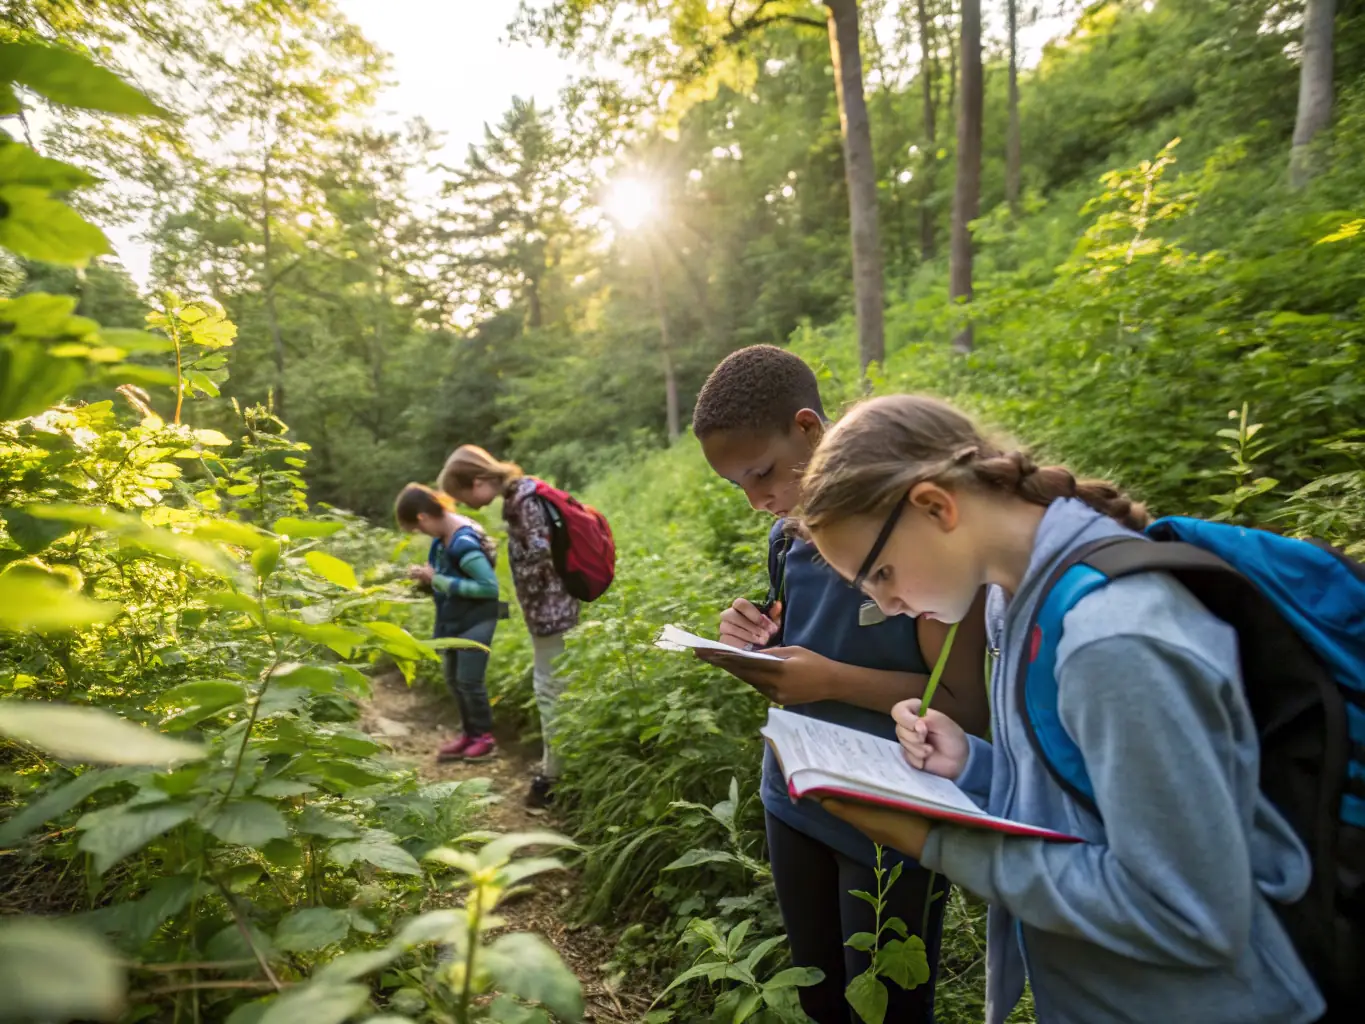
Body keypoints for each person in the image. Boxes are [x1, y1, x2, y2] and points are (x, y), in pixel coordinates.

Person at [798, 393, 1325, 1024]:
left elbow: (1189, 913)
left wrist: (940, 844)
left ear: (935, 505)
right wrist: (975, 766)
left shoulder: (1113, 640)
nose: (886, 605)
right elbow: (1088, 807)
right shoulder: (1011, 598)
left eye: (880, 573)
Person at [690, 347, 990, 1024]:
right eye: (736, 484)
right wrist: (754, 639)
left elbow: (964, 708)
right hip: (793, 791)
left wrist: (829, 679)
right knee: (820, 995)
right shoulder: (786, 538)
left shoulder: (914, 536)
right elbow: (806, 637)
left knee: (886, 1007)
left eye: (761, 473)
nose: (756, 498)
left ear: (807, 429)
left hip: (895, 810)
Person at [440, 445, 578, 809]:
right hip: (550, 610)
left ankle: (554, 779)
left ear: (480, 480)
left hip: (552, 612)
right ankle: (556, 768)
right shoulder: (522, 495)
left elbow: (539, 555)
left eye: (465, 495)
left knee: (551, 690)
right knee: (553, 686)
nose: (467, 506)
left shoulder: (522, 500)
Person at [394, 483, 500, 762]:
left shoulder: (463, 542)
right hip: (452, 618)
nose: (421, 534)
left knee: (469, 680)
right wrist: (425, 579)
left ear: (423, 517)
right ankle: (469, 734)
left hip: (477, 619)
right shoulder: (441, 541)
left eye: (417, 529)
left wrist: (437, 579)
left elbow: (489, 587)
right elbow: (442, 576)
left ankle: (485, 738)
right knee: (453, 679)